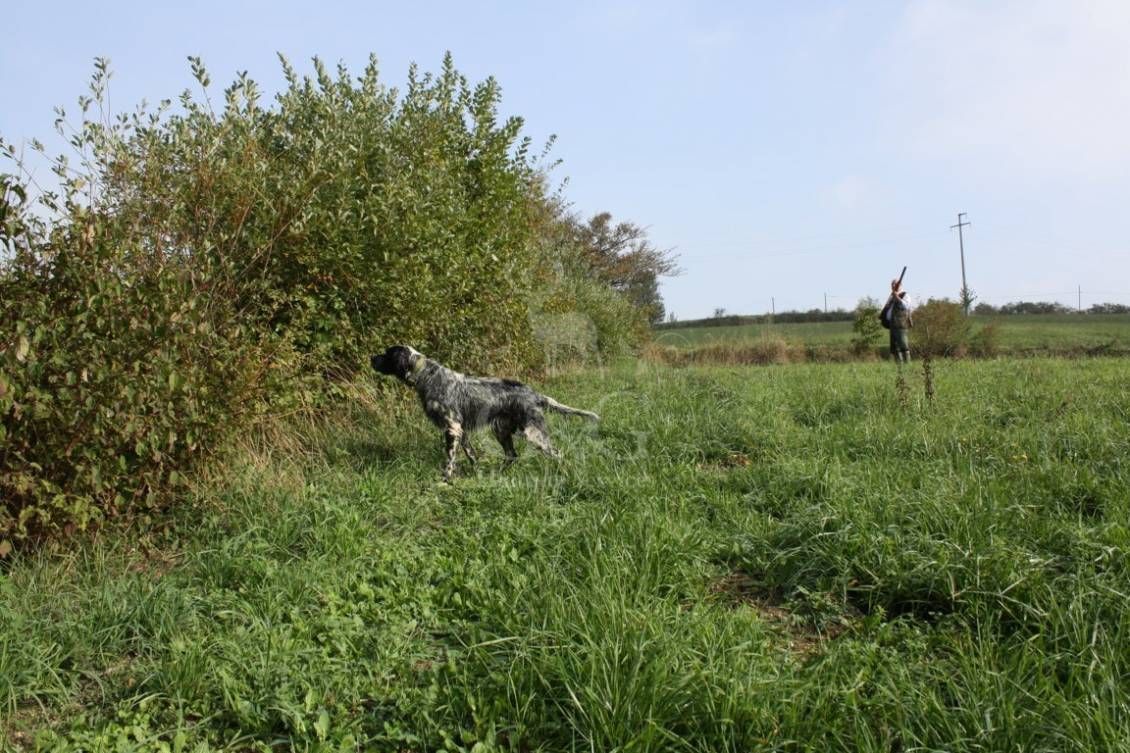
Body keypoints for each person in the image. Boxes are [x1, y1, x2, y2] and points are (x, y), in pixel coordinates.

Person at [881, 278, 913, 364]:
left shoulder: (905, 295)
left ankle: (908, 365)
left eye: (895, 284)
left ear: (900, 285)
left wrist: (897, 297)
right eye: (892, 285)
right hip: (892, 324)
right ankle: (899, 367)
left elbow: (906, 306)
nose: (893, 286)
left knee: (903, 345)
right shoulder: (892, 296)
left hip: (901, 324)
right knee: (895, 348)